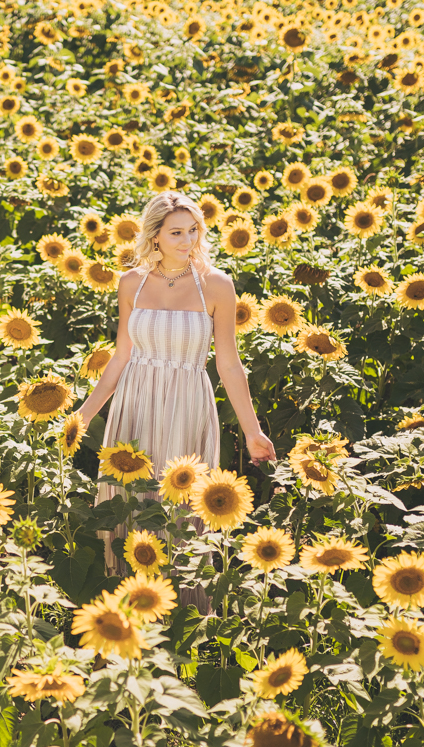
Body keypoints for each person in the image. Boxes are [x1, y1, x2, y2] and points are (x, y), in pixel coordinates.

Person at [72, 190, 277, 599]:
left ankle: (184, 610)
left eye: (193, 231)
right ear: (155, 238)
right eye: (177, 233)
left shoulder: (215, 285)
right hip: (135, 402)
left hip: (187, 403)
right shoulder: (132, 282)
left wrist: (253, 432)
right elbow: (120, 357)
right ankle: (124, 607)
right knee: (129, 500)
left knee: (179, 504)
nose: (188, 241)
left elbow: (229, 364)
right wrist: (80, 416)